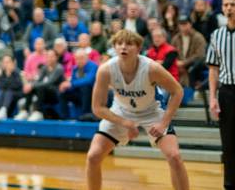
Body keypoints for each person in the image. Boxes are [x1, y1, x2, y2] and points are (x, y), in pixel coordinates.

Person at [86, 30, 189, 190]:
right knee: (93, 156)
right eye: (119, 43)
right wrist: (125, 122)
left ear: (139, 48)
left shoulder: (151, 68)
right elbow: (97, 108)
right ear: (114, 47)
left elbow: (178, 91)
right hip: (121, 112)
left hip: (152, 111)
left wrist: (163, 123)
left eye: (129, 44)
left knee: (174, 156)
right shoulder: (105, 70)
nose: (123, 47)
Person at [206, 0, 235, 190]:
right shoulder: (217, 35)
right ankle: (230, 183)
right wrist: (212, 98)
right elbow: (213, 70)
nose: (229, 8)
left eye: (232, 4)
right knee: (229, 141)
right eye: (225, 5)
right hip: (227, 93)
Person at [14, 49, 64, 121]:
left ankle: (38, 112)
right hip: (44, 93)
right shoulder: (45, 68)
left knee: (40, 87)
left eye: (52, 56)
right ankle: (25, 111)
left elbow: (49, 82)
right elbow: (38, 81)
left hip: (55, 95)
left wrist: (32, 85)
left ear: (56, 57)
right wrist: (30, 85)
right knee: (31, 86)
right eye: (48, 56)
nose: (49, 58)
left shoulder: (59, 68)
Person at [59, 49, 98, 120]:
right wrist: (66, 86)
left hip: (92, 95)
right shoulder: (75, 69)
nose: (79, 60)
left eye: (82, 58)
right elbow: (73, 84)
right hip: (79, 94)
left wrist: (71, 84)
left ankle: (85, 114)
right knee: (64, 92)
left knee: (85, 87)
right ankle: (64, 117)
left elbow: (89, 81)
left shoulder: (93, 66)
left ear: (87, 57)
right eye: (77, 58)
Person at [171, 16, 207, 89]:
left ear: (190, 24)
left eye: (185, 24)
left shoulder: (198, 37)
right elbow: (171, 52)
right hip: (178, 64)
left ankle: (189, 91)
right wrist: (177, 62)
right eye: (181, 24)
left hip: (193, 65)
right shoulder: (176, 38)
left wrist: (184, 63)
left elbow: (200, 55)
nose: (183, 27)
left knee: (192, 68)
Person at [0, 55, 23, 121]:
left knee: (8, 91)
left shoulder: (16, 72)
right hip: (6, 94)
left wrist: (9, 75)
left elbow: (16, 86)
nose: (6, 64)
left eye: (8, 62)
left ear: (13, 63)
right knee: (1, 91)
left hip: (16, 94)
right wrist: (3, 76)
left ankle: (4, 111)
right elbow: (1, 86)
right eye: (4, 62)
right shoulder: (2, 73)